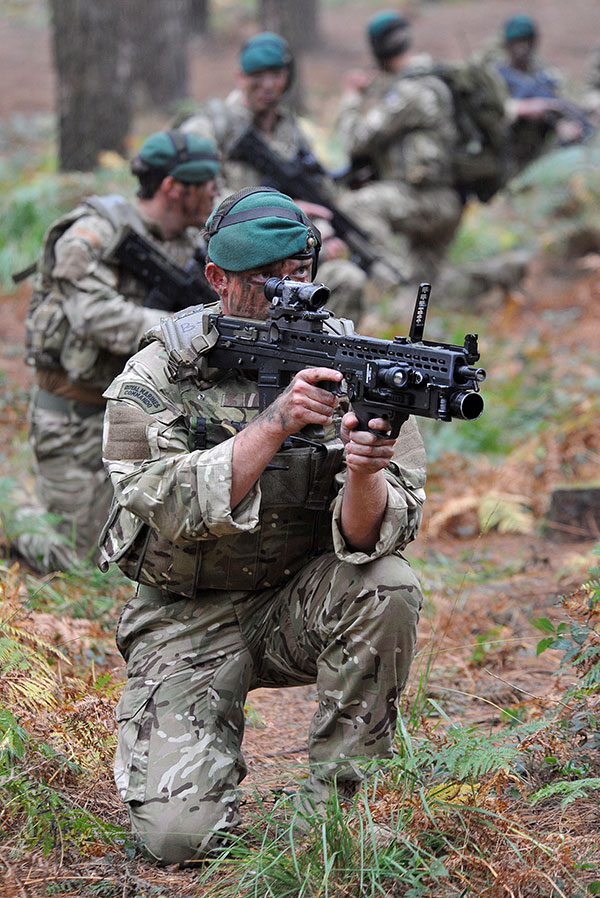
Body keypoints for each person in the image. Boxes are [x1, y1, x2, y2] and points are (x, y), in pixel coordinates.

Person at [99, 187, 427, 865]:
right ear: (217, 278)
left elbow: (373, 537)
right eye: (263, 280)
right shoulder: (158, 371)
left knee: (388, 584)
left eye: (297, 275)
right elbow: (170, 507)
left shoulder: (352, 361)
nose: (286, 292)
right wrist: (276, 422)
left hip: (295, 603)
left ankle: (338, 809)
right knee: (180, 842)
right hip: (185, 617)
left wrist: (364, 469)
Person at [14, 131, 220, 574]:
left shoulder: (190, 244)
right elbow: (93, 315)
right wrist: (184, 330)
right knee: (82, 561)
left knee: (159, 544)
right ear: (172, 187)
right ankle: (16, 520)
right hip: (76, 420)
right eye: (207, 183)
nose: (215, 192)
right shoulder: (90, 234)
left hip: (145, 420)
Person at [179, 31, 370, 322]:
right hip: (228, 257)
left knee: (346, 278)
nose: (268, 84)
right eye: (257, 74)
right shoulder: (210, 125)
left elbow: (318, 186)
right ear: (239, 75)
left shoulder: (292, 130)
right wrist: (276, 210)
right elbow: (191, 196)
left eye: (276, 74)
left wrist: (313, 231)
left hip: (282, 257)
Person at [334, 11, 463, 298]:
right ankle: (502, 276)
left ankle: (387, 281)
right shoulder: (434, 77)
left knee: (357, 206)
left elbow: (355, 140)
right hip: (446, 200)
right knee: (423, 296)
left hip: (425, 200)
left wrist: (351, 96)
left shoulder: (408, 91)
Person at [494, 15, 592, 172]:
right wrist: (532, 107)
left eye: (526, 41)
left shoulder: (543, 76)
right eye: (516, 42)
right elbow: (499, 108)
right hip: (514, 150)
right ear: (507, 45)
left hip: (543, 140)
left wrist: (562, 122)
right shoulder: (497, 75)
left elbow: (567, 103)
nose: (522, 48)